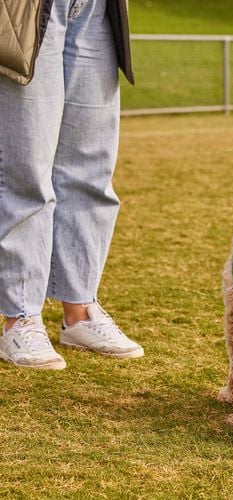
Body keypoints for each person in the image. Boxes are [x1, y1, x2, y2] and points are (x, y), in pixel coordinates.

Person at [0, 0, 143, 369]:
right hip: (24, 9)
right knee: (27, 166)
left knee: (91, 166)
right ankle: (21, 316)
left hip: (96, 8)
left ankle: (79, 311)